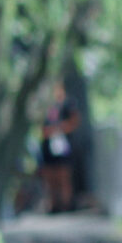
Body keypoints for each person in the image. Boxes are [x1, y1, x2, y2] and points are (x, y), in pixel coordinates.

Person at [39, 82, 81, 213]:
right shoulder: (46, 105)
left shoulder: (69, 104)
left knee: (63, 176)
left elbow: (75, 122)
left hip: (63, 149)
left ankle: (66, 205)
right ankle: (54, 206)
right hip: (48, 150)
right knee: (50, 178)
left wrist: (59, 129)